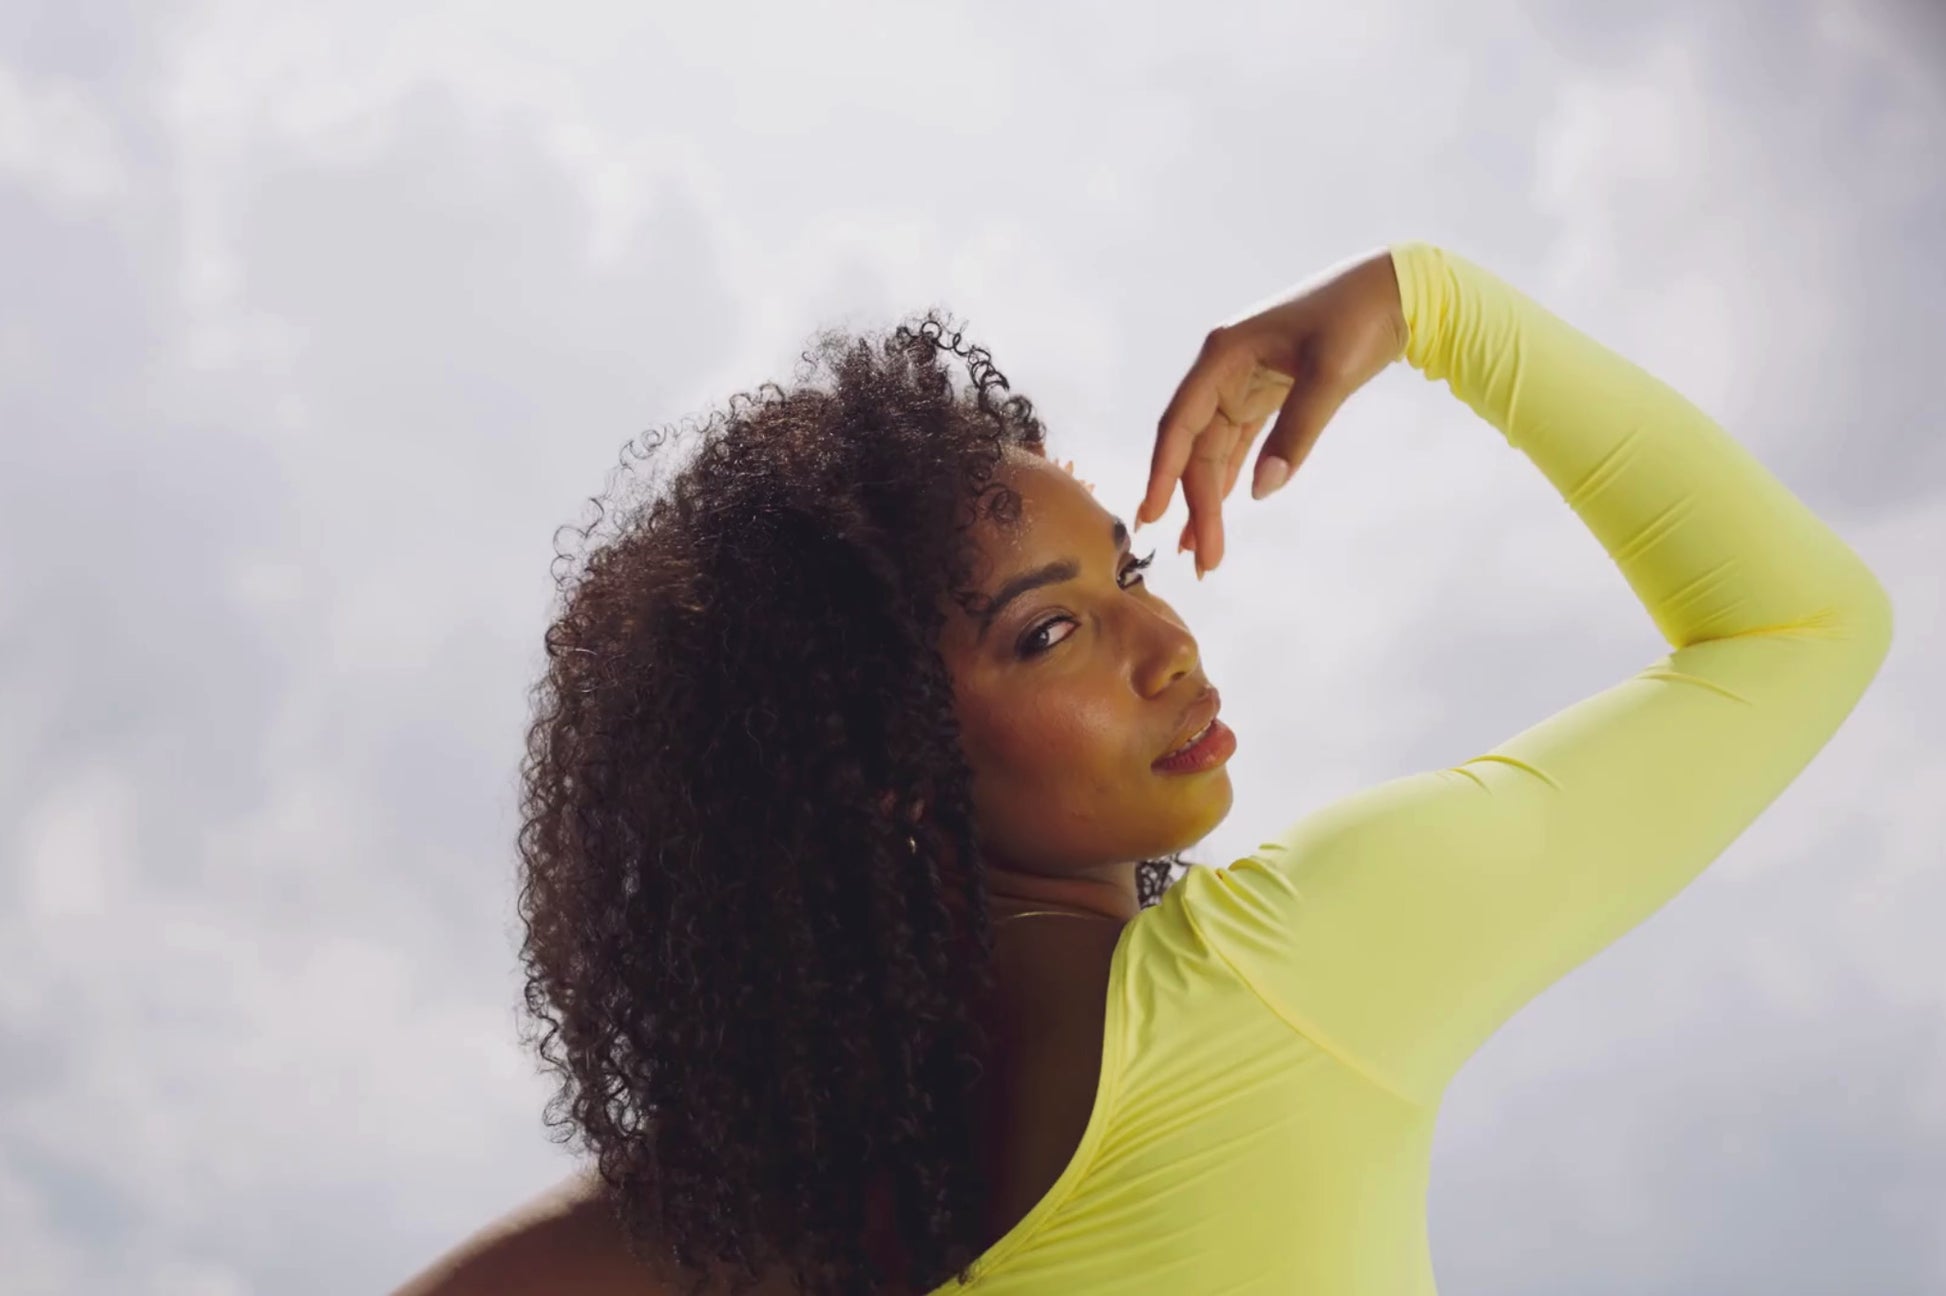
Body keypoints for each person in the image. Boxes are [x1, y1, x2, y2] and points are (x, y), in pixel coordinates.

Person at [389, 242, 1894, 1296]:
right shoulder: (1282, 979)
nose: (1165, 644)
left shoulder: (714, 1226)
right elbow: (1805, 626)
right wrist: (1431, 303)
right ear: (891, 771)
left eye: (1131, 573)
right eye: (1049, 633)